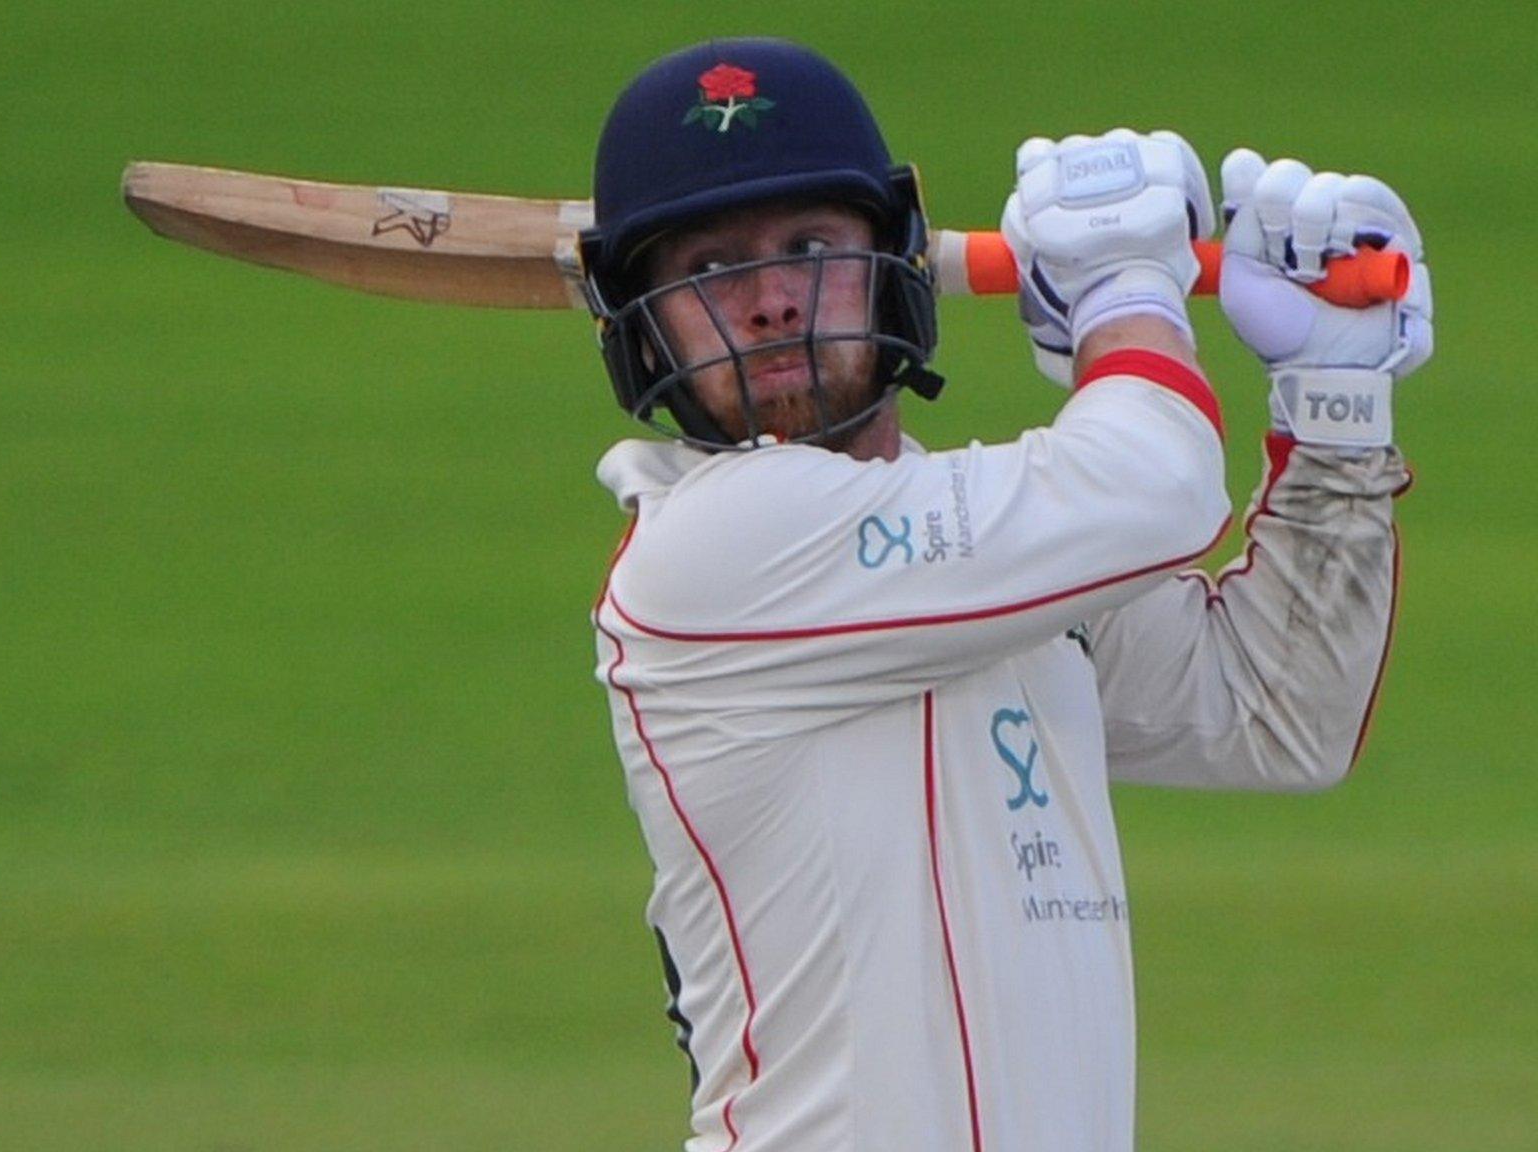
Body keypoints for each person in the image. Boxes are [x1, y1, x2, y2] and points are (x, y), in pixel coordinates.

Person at [581, 38, 1432, 1152]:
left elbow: (1278, 715)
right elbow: (1153, 482)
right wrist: (1125, 290)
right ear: (642, 324)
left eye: (809, 248)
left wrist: (1332, 408)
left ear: (890, 265)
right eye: (711, 268)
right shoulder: (710, 558)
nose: (774, 303)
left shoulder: (992, 556)